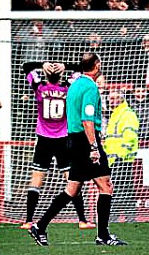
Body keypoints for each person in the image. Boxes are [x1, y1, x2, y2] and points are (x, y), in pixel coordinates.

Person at [29, 53, 128, 246]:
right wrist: (93, 147)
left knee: (72, 189)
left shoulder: (75, 85)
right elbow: (87, 119)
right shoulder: (90, 87)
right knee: (106, 187)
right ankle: (103, 235)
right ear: (97, 66)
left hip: (73, 140)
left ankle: (39, 227)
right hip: (85, 141)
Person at [20, 62, 94, 230]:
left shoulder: (39, 88)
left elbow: (26, 66)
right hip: (63, 140)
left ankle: (28, 221)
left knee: (36, 181)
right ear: (61, 75)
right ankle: (82, 220)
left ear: (45, 74)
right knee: (72, 180)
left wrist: (43, 64)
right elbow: (80, 69)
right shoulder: (68, 87)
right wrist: (64, 66)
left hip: (43, 140)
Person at [104, 88, 139, 223]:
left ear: (121, 98)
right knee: (124, 188)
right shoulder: (117, 114)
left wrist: (121, 154)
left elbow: (130, 136)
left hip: (121, 158)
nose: (111, 101)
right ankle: (128, 217)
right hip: (114, 158)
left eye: (114, 98)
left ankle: (116, 216)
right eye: (110, 98)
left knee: (120, 188)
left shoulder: (126, 114)